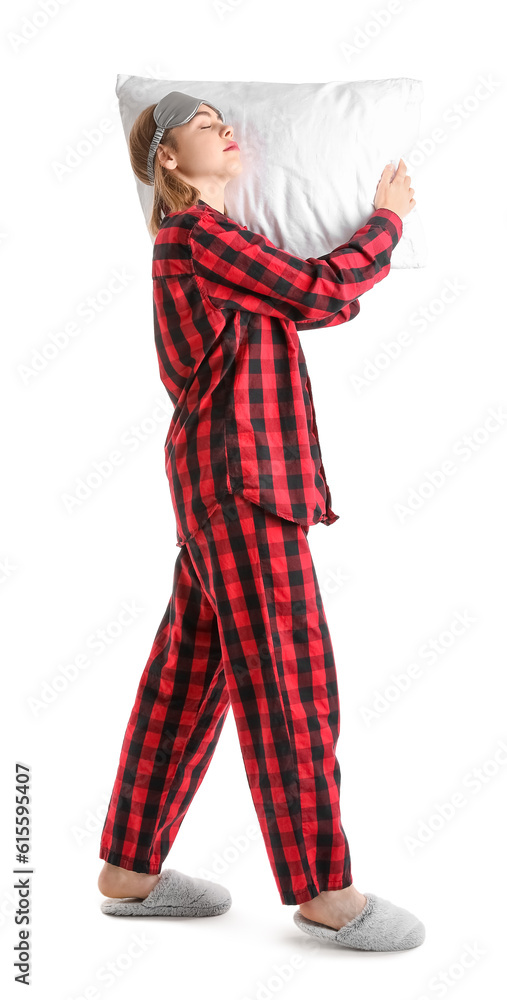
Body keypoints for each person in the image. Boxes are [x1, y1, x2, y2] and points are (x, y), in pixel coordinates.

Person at [97, 91, 424, 951]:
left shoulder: (206, 246)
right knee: (290, 678)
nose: (225, 128)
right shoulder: (200, 235)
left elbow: (315, 301)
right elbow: (321, 290)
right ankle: (325, 892)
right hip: (243, 484)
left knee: (187, 677)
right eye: (205, 125)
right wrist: (385, 223)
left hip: (223, 482)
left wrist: (349, 271)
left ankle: (130, 868)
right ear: (168, 160)